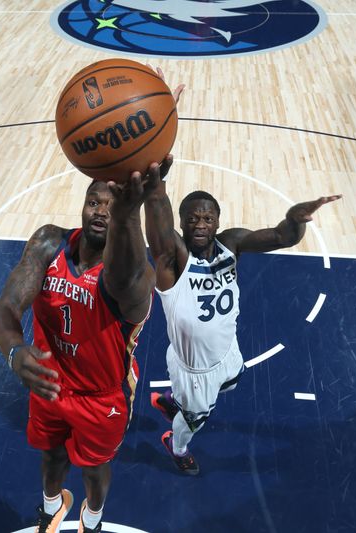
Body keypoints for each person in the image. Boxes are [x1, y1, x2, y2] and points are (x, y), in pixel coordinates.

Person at [0, 163, 169, 533]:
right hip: (49, 383)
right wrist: (14, 349)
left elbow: (130, 273)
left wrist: (128, 214)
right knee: (52, 455)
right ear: (83, 205)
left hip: (101, 398)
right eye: (94, 202)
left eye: (110, 205)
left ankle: (92, 521)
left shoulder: (133, 279)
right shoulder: (48, 243)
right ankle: (50, 509)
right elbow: (9, 305)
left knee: (93, 468)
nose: (100, 211)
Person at [144, 164, 342, 475]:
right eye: (192, 219)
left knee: (229, 383)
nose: (200, 224)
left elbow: (281, 236)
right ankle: (177, 445)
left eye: (208, 219)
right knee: (196, 419)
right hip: (196, 367)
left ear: (218, 222)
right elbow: (157, 225)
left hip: (226, 352)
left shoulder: (231, 243)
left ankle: (176, 401)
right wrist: (157, 184)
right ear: (181, 223)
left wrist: (295, 218)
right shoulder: (173, 258)